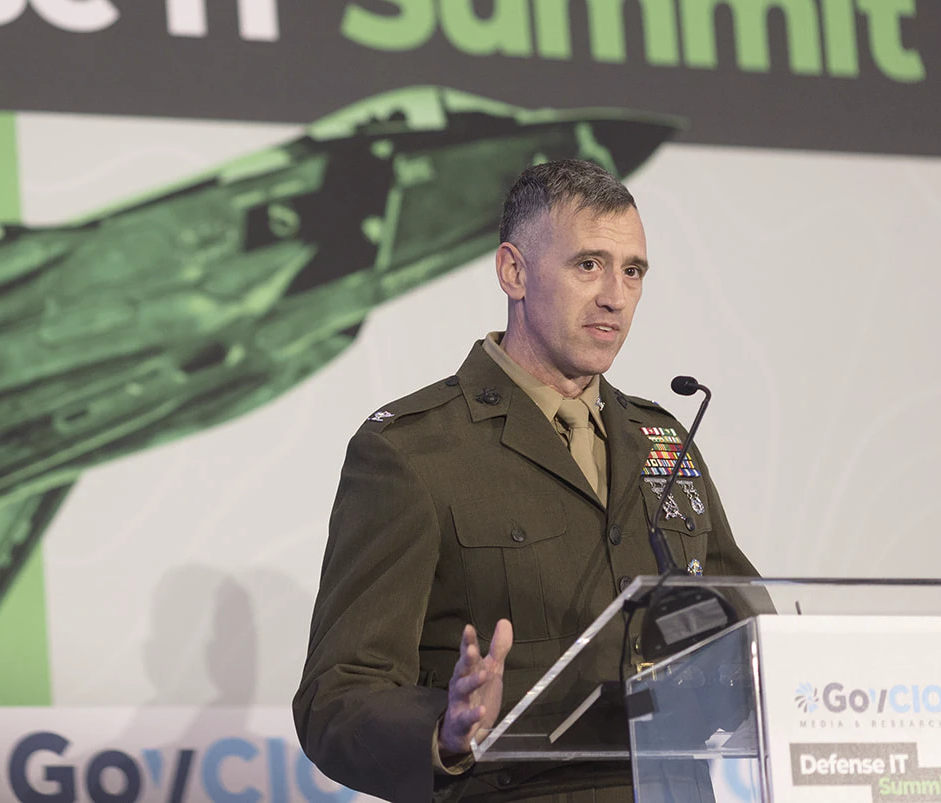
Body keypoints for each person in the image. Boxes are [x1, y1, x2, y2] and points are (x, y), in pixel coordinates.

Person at [293, 159, 758, 803]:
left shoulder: (664, 440)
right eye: (588, 264)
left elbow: (747, 626)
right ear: (514, 271)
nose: (615, 297)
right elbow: (337, 695)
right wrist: (446, 730)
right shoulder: (414, 450)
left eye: (633, 271)